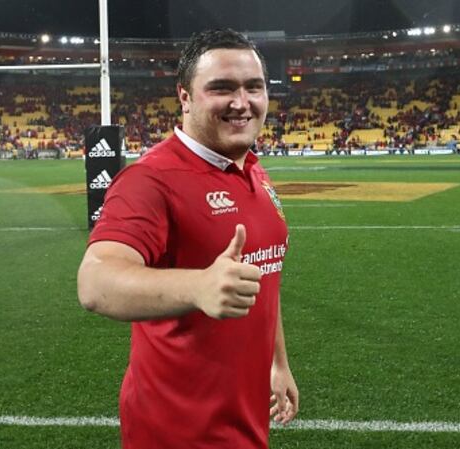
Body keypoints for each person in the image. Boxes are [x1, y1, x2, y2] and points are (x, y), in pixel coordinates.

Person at [77, 29, 298, 449]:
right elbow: (95, 282)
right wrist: (197, 285)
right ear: (185, 97)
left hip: (245, 421)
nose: (242, 102)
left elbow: (262, 278)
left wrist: (277, 363)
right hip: (177, 431)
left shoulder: (252, 168)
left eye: (254, 87)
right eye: (222, 88)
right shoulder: (149, 180)